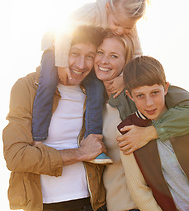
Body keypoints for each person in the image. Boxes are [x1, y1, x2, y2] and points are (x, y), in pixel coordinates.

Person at [32, 0, 149, 164]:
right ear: (108, 8)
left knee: (96, 90)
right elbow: (63, 30)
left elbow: (137, 55)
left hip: (85, 52)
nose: (120, 31)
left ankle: (93, 143)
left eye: (126, 28)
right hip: (57, 46)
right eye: (117, 24)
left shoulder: (127, 23)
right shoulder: (92, 11)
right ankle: (38, 138)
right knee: (47, 82)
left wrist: (124, 78)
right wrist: (61, 63)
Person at [93, 33, 189, 210]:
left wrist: (151, 132)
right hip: (117, 204)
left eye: (114, 56)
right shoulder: (93, 105)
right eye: (100, 52)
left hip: (154, 203)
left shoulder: (146, 95)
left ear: (126, 62)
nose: (104, 61)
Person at [2, 26, 109, 211]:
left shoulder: (97, 91)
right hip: (43, 205)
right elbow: (16, 156)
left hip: (91, 203)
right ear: (59, 52)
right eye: (74, 53)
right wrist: (81, 154)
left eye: (90, 56)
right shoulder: (27, 88)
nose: (81, 64)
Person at [117, 55, 189, 211]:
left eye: (155, 92)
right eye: (140, 95)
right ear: (130, 96)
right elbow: (139, 190)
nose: (149, 103)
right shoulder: (128, 133)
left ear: (166, 88)